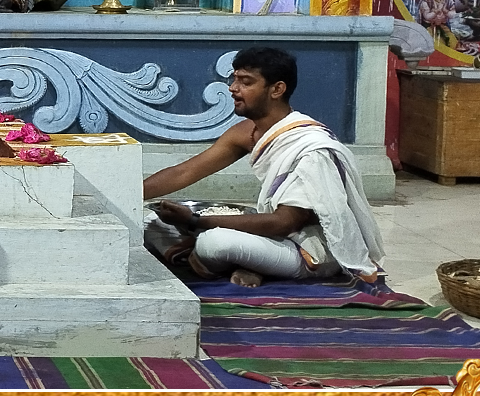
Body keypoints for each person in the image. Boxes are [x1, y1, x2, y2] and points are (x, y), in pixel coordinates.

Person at [142, 47, 385, 287]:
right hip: (274, 239)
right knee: (150, 221)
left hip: (308, 250)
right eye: (234, 79)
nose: (233, 88)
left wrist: (196, 221)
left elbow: (285, 223)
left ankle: (241, 263)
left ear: (277, 89)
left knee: (213, 242)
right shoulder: (247, 131)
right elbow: (185, 172)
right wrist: (128, 194)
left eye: (246, 82)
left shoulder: (311, 149)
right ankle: (243, 262)